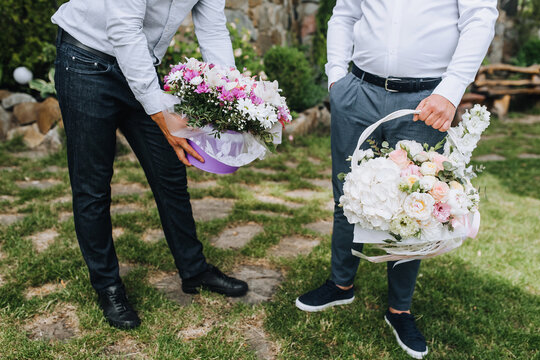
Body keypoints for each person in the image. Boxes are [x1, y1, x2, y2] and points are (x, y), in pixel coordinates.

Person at [295, 0, 497, 358]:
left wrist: (449, 92)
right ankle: (341, 284)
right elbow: (345, 13)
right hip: (357, 91)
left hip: (426, 100)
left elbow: (479, 18)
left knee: (416, 203)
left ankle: (399, 309)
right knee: (347, 193)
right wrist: (336, 77)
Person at [51, 0, 248, 330]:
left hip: (140, 65)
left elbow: (213, 29)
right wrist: (159, 110)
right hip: (85, 61)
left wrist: (230, 97)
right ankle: (108, 286)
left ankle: (194, 270)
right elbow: (124, 29)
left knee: (170, 172)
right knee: (92, 186)